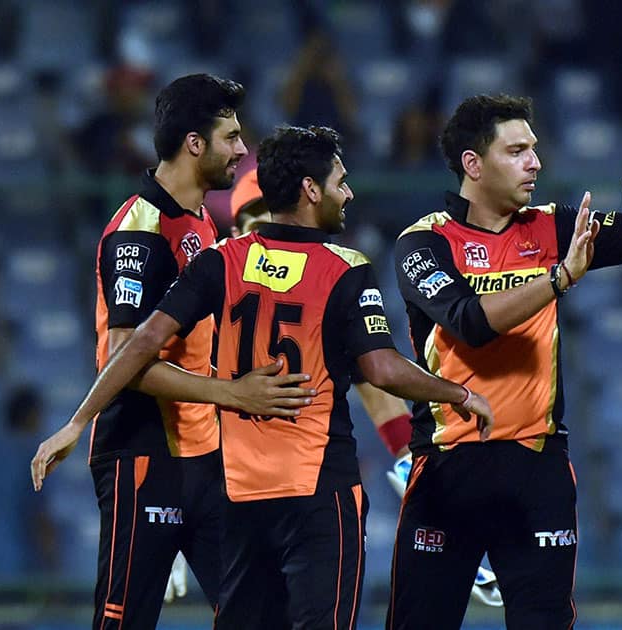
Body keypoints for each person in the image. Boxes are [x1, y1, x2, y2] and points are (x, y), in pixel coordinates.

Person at [37, 124, 495, 628]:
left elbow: (141, 344)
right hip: (314, 491)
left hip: (240, 495)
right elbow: (377, 367)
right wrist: (457, 397)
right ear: (308, 191)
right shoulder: (341, 269)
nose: (349, 193)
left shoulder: (220, 262)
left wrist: (78, 422)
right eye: (340, 182)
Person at [386, 93, 622, 629]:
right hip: (447, 469)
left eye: (534, 148)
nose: (536, 162)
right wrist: (557, 279)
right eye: (518, 150)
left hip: (537, 468)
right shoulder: (424, 242)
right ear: (473, 164)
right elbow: (469, 322)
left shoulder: (552, 227)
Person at [29, 74, 313, 629]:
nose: (240, 150)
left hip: (204, 460)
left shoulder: (202, 221)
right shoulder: (140, 231)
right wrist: (230, 391)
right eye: (230, 137)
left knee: (260, 614)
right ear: (194, 143)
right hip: (143, 456)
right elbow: (124, 354)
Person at [229, 162, 505, 607]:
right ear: (237, 230)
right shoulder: (212, 283)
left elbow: (375, 381)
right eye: (260, 224)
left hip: (307, 486)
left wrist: (410, 467)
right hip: (232, 489)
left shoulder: (324, 285)